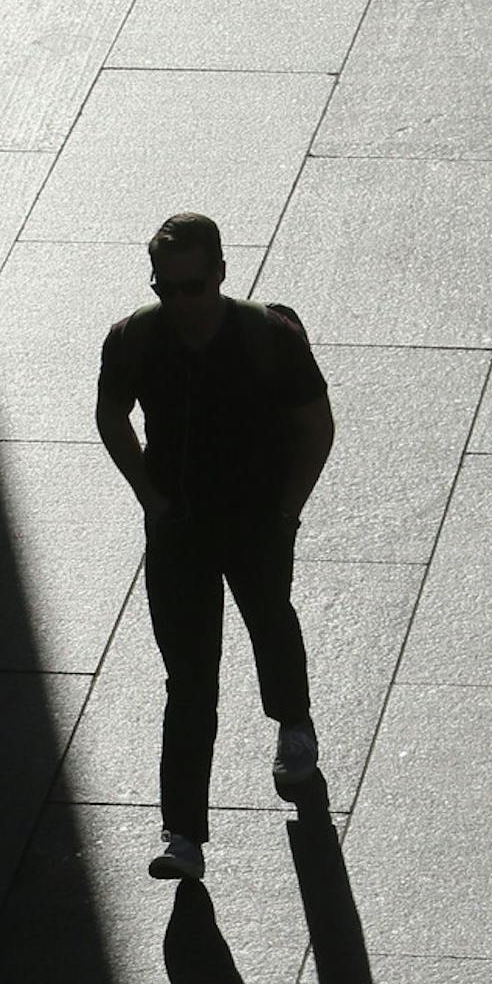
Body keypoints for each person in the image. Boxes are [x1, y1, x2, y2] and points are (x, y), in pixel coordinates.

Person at [95, 211, 336, 883]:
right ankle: (183, 835)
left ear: (222, 273)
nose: (181, 303)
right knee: (189, 679)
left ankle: (293, 724)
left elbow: (316, 425)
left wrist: (287, 512)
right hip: (179, 527)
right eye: (167, 288)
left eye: (193, 287)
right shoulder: (135, 339)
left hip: (255, 518)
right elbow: (110, 414)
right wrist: (149, 496)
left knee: (269, 619)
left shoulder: (268, 337)